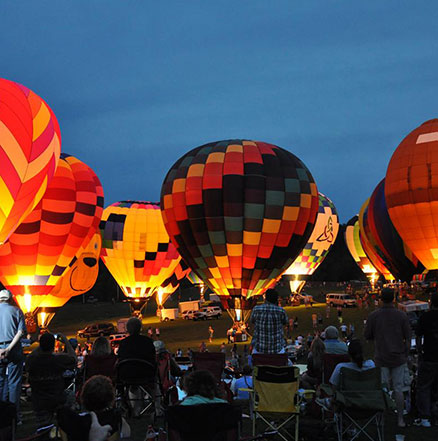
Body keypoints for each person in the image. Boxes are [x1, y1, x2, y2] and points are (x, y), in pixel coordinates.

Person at [364, 288, 411, 428]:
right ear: (394, 299)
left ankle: (381, 418)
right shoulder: (401, 315)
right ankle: (400, 419)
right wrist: (406, 354)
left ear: (380, 298)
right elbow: (408, 338)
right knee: (398, 389)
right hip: (398, 357)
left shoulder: (374, 315)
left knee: (382, 389)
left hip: (381, 357)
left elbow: (367, 335)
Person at [26, 332, 77, 427]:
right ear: (53, 346)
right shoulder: (57, 360)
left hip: (39, 400)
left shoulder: (32, 361)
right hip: (57, 398)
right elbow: (74, 358)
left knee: (43, 427)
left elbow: (30, 357)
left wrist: (42, 345)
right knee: (71, 395)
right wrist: (66, 341)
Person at [58, 375, 130, 440]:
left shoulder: (72, 422)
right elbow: (126, 434)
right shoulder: (114, 419)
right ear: (110, 399)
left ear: (84, 397)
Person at [0, 289, 26, 422]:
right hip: (13, 349)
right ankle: (14, 417)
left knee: (1, 383)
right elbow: (21, 332)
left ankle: (2, 415)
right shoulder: (16, 311)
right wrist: (9, 348)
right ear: (10, 299)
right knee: (14, 384)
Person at [414, 291, 438, 427]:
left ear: (431, 302)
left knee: (424, 387)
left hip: (428, 357)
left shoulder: (425, 317)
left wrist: (419, 351)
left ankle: (425, 417)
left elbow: (418, 336)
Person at [250, 289, 288, 354]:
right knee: (289, 363)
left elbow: (252, 321)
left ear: (265, 298)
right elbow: (285, 322)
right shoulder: (281, 311)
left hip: (259, 349)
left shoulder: (256, 309)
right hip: (277, 350)